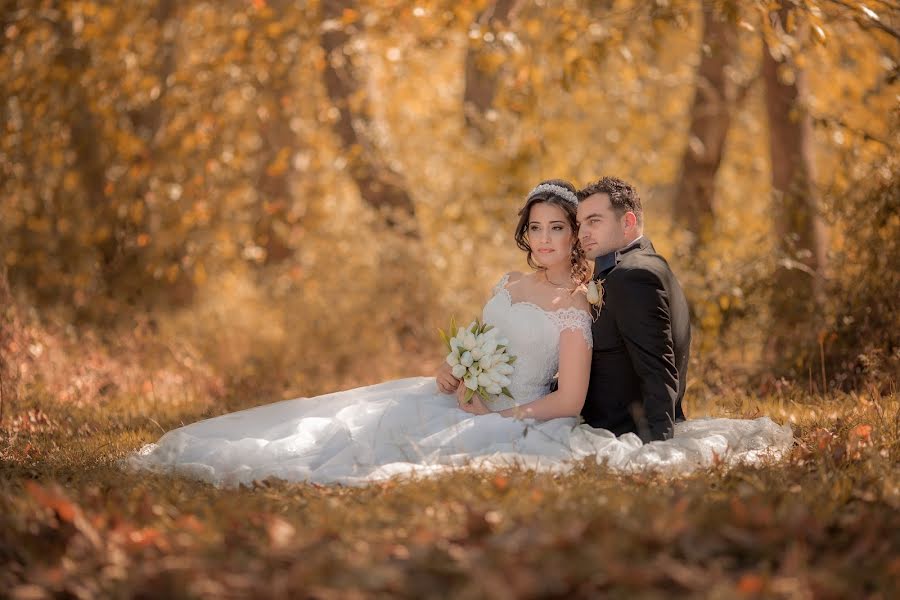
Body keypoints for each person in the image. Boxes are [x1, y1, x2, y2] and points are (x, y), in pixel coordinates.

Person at [126, 180, 791, 487]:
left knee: (402, 451)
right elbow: (474, 341)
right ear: (525, 236)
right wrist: (452, 369)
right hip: (460, 396)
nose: (547, 239)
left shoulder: (579, 309)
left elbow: (565, 400)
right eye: (537, 228)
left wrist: (499, 409)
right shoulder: (505, 284)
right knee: (357, 423)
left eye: (561, 227)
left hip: (514, 414)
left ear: (578, 237)